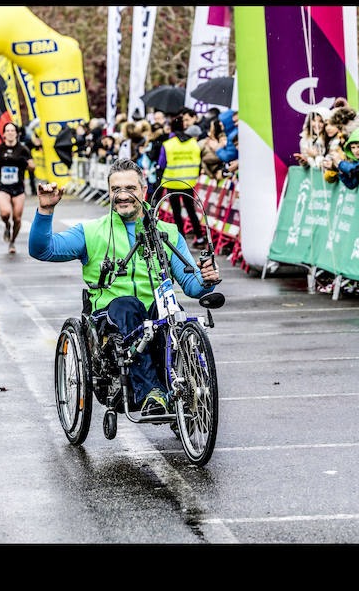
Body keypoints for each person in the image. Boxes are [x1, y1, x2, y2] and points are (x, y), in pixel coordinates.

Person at [29, 158, 220, 416]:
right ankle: (151, 392)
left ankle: (179, 390)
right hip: (111, 316)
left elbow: (190, 284)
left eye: (130, 188)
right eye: (115, 189)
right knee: (129, 306)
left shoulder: (167, 232)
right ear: (109, 192)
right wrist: (45, 211)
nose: (122, 195)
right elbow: (42, 249)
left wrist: (206, 280)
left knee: (171, 315)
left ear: (144, 191)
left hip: (155, 313)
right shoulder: (92, 232)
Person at [157, 114, 207, 247]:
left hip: (172, 182)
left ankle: (182, 238)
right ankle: (200, 237)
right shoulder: (193, 144)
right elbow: (198, 161)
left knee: (176, 212)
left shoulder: (168, 144)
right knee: (191, 210)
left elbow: (162, 163)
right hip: (188, 183)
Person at [0, 122, 35, 254]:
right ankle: (7, 225)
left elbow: (33, 166)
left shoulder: (23, 149)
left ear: (17, 133)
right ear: (3, 134)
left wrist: (25, 163)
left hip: (18, 188)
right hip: (3, 187)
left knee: (17, 219)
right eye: (7, 130)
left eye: (12, 130)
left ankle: (12, 241)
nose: (10, 133)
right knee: (5, 213)